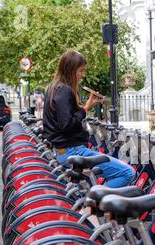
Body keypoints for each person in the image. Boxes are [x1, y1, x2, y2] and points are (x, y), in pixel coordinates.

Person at [42, 50, 135, 188]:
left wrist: (86, 106)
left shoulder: (53, 87)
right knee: (128, 172)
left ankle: (93, 200)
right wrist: (84, 110)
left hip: (63, 150)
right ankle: (95, 201)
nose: (82, 75)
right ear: (70, 69)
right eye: (81, 70)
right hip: (73, 150)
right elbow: (66, 124)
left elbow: (64, 117)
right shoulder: (65, 90)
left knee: (87, 185)